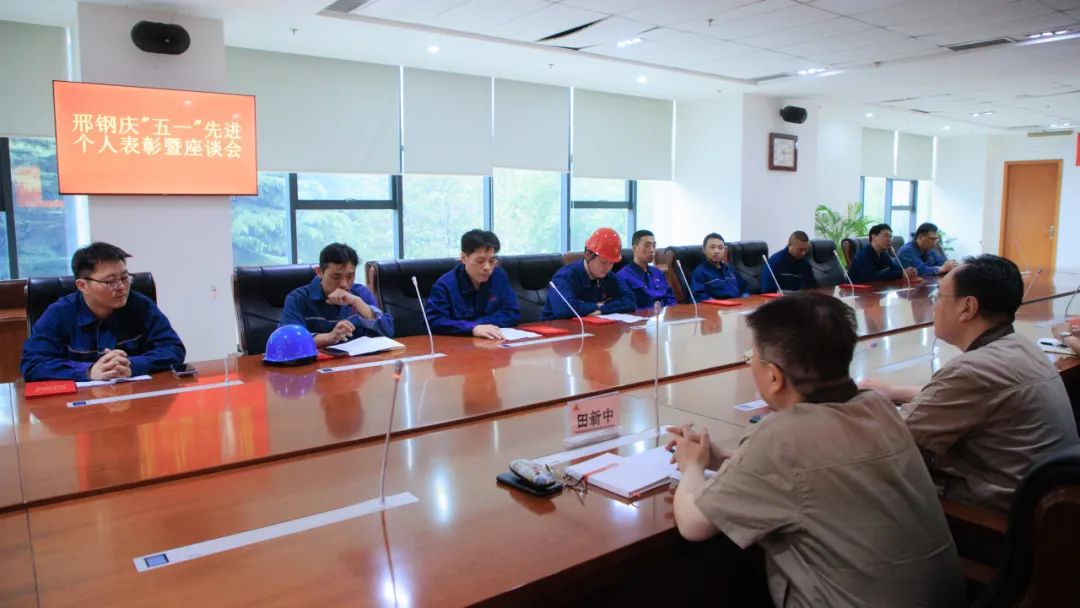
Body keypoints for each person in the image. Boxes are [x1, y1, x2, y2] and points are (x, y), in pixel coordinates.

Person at [669, 293, 964, 607]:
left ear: (774, 377)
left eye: (750, 357)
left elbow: (693, 523)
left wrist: (692, 466)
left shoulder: (781, 436)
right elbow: (814, 474)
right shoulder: (878, 407)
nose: (749, 363)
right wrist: (726, 460)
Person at [861, 255, 1078, 513]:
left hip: (992, 516)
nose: (933, 306)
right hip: (1041, 503)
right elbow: (967, 397)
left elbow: (892, 439)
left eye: (938, 297)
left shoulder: (972, 371)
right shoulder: (1021, 347)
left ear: (967, 308)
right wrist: (893, 391)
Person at [21, 242, 186, 381]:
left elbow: (173, 348)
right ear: (83, 286)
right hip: (79, 404)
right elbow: (32, 364)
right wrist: (89, 371)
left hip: (132, 397)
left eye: (124, 278)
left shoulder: (141, 306)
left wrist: (131, 365)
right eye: (110, 281)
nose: (121, 287)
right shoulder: (59, 313)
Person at [279, 243, 393, 347]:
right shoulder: (297, 299)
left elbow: (388, 333)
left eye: (350, 276)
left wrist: (357, 303)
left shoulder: (361, 294)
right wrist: (329, 337)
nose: (344, 284)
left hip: (358, 361)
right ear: (319, 272)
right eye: (336, 277)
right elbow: (289, 341)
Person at [425, 229, 520, 340]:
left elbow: (512, 313)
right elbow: (434, 321)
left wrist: (480, 324)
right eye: (480, 261)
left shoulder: (499, 277)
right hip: (459, 345)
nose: (487, 267)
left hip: (494, 342)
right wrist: (472, 328)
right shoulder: (445, 285)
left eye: (492, 261)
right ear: (464, 258)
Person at [540, 227, 635, 320]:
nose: (608, 268)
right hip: (554, 327)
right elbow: (564, 309)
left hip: (589, 326)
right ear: (588, 255)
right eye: (603, 262)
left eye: (612, 263)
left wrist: (602, 309)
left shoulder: (608, 276)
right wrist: (597, 305)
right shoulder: (565, 276)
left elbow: (630, 301)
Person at [615, 229, 675, 309]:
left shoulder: (658, 273)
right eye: (647, 246)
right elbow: (627, 306)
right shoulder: (623, 276)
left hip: (663, 315)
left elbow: (670, 299)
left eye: (654, 245)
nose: (652, 250)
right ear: (634, 248)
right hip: (640, 316)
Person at [848, 223, 918, 283]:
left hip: (876, 289)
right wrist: (901, 273)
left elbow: (893, 268)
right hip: (857, 291)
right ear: (874, 237)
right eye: (886, 236)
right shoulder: (864, 254)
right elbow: (871, 276)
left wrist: (908, 271)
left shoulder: (883, 254)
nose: (889, 240)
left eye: (890, 237)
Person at [690, 233, 746, 300]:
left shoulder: (730, 269)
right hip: (716, 305)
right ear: (704, 250)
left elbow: (744, 287)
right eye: (712, 247)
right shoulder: (699, 273)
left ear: (724, 250)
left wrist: (745, 298)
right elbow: (698, 296)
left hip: (738, 304)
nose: (716, 251)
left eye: (720, 248)